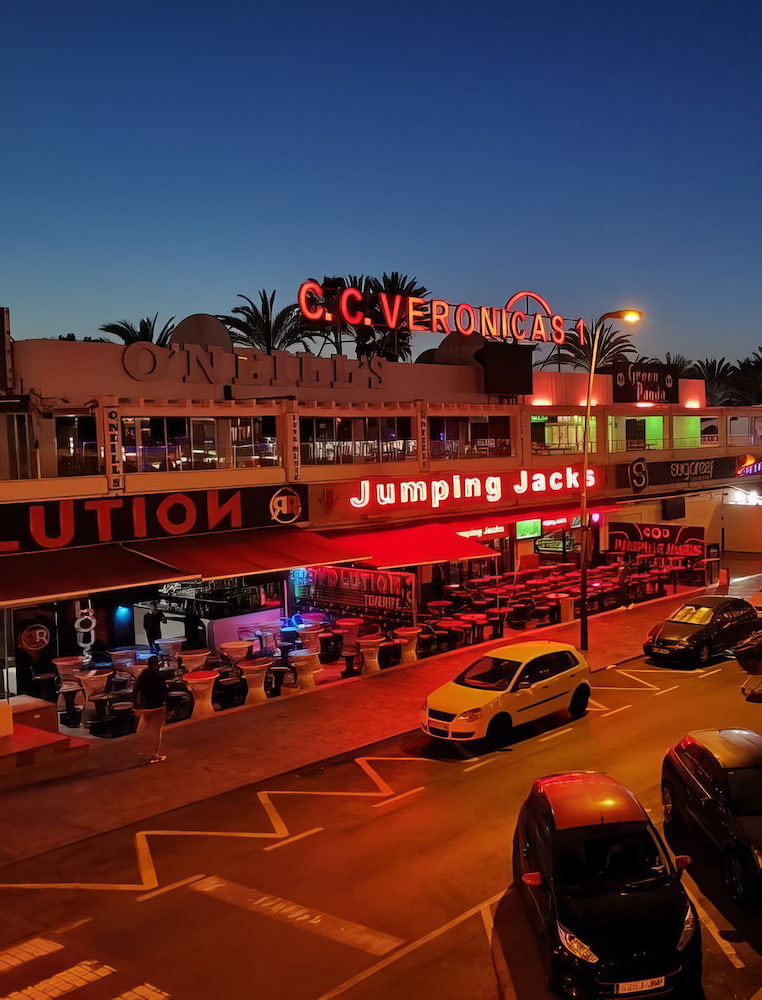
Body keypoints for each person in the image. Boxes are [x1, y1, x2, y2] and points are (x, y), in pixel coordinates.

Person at [133, 654, 169, 763]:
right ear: (157, 664)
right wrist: (166, 703)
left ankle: (143, 750)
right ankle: (154, 754)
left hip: (145, 706)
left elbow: (136, 689)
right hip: (157, 706)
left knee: (143, 728)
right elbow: (164, 691)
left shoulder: (143, 674)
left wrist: (136, 704)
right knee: (156, 731)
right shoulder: (158, 676)